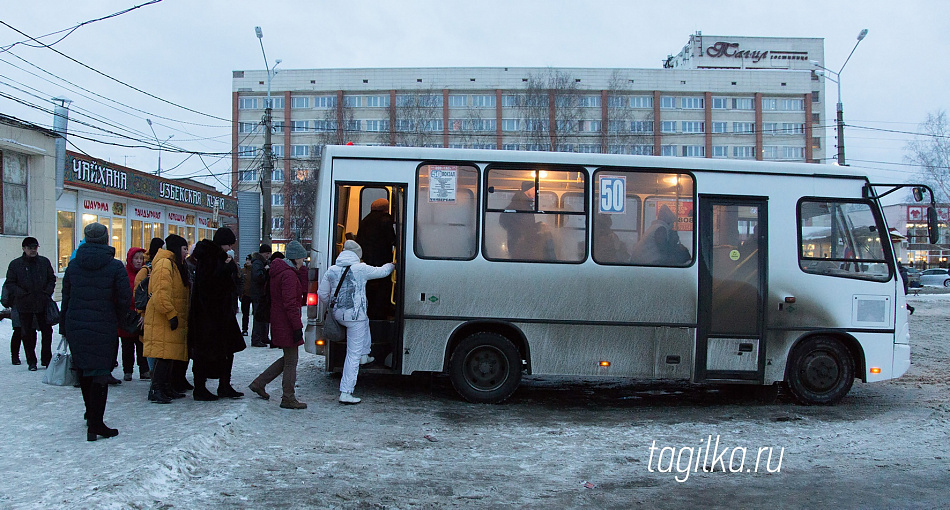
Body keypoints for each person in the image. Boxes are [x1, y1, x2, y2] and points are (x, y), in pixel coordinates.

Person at [60, 223, 132, 441]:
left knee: (83, 371)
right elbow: (124, 298)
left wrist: (64, 326)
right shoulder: (115, 266)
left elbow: (66, 297)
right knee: (100, 372)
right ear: (106, 239)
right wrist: (121, 319)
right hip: (104, 325)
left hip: (77, 325)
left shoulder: (73, 266)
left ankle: (90, 416)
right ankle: (96, 423)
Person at [318, 240, 395, 404]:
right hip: (355, 317)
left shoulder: (332, 270)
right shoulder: (361, 268)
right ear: (357, 255)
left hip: (339, 315)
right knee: (352, 355)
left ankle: (365, 355)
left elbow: (323, 295)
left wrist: (335, 308)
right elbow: (382, 272)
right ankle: (346, 392)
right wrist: (392, 264)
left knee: (366, 321)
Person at [187, 227, 246, 401]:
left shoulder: (213, 258)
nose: (230, 249)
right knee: (206, 352)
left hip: (218, 315)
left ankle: (223, 385)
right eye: (228, 245)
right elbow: (212, 286)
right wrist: (227, 269)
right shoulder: (211, 259)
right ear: (222, 243)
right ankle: (202, 388)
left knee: (226, 350)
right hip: (210, 317)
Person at [249, 241, 308, 409]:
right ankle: (288, 397)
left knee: (287, 358)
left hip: (279, 320)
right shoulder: (288, 275)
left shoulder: (279, 272)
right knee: (291, 361)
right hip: (287, 322)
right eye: (302, 259)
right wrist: (297, 327)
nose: (303, 262)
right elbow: (290, 304)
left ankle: (259, 383)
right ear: (296, 258)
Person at [143, 234, 190, 404]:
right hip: (163, 318)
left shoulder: (176, 264)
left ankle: (165, 387)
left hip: (171, 317)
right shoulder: (165, 263)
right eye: (184, 249)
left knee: (168, 355)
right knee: (163, 355)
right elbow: (161, 293)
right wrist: (171, 314)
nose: (186, 253)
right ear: (177, 248)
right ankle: (156, 389)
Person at [1, 236, 56, 371]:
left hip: (42, 302)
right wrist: (21, 293)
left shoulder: (43, 262)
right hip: (25, 304)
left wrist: (47, 292)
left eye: (34, 248)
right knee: (27, 333)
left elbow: (51, 279)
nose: (32, 250)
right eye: (30, 248)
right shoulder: (16, 264)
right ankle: (32, 361)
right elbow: (10, 283)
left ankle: (46, 359)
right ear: (24, 249)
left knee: (47, 331)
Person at [356, 198, 397, 319]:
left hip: (367, 260)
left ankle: (370, 312)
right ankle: (382, 313)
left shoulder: (364, 221)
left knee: (369, 288)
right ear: (386, 209)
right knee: (383, 288)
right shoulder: (385, 220)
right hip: (382, 260)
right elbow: (392, 239)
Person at [498, 181, 554, 260]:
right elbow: (504, 220)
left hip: (523, 243)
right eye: (534, 189)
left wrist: (537, 226)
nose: (536, 192)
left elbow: (527, 225)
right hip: (520, 245)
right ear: (528, 190)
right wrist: (522, 233)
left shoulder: (524, 203)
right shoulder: (518, 204)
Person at [118, 247, 148, 381]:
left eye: (141, 258)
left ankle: (144, 369)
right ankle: (128, 370)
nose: (139, 261)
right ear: (130, 259)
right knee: (127, 345)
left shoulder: (145, 274)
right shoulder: (124, 274)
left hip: (141, 314)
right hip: (128, 315)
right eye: (136, 258)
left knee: (141, 344)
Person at [136, 237, 165, 373]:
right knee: (150, 343)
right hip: (147, 312)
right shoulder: (146, 269)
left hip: (156, 311)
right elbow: (138, 293)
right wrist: (141, 312)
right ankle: (152, 371)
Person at [249, 244, 272, 347]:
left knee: (263, 315)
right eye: (267, 253)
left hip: (262, 294)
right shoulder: (258, 263)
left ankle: (263, 337)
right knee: (258, 317)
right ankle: (256, 338)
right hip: (258, 294)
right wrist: (266, 271)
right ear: (262, 253)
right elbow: (258, 277)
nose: (268, 255)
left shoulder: (262, 262)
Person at [240, 254, 253, 335]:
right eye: (247, 260)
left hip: (254, 294)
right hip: (245, 294)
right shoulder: (242, 271)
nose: (248, 262)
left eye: (249, 260)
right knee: (245, 313)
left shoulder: (254, 270)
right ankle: (244, 329)